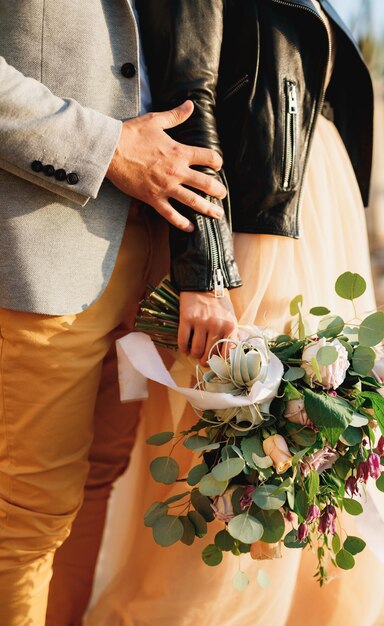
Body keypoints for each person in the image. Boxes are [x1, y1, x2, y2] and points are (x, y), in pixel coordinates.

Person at [59, 1, 384, 625]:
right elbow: (189, 93)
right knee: (244, 459)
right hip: (253, 234)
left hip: (315, 221)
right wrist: (207, 269)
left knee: (311, 457)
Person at [0, 1, 247, 624]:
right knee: (23, 516)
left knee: (94, 487)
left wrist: (198, 263)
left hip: (148, 262)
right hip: (36, 252)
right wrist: (107, 148)